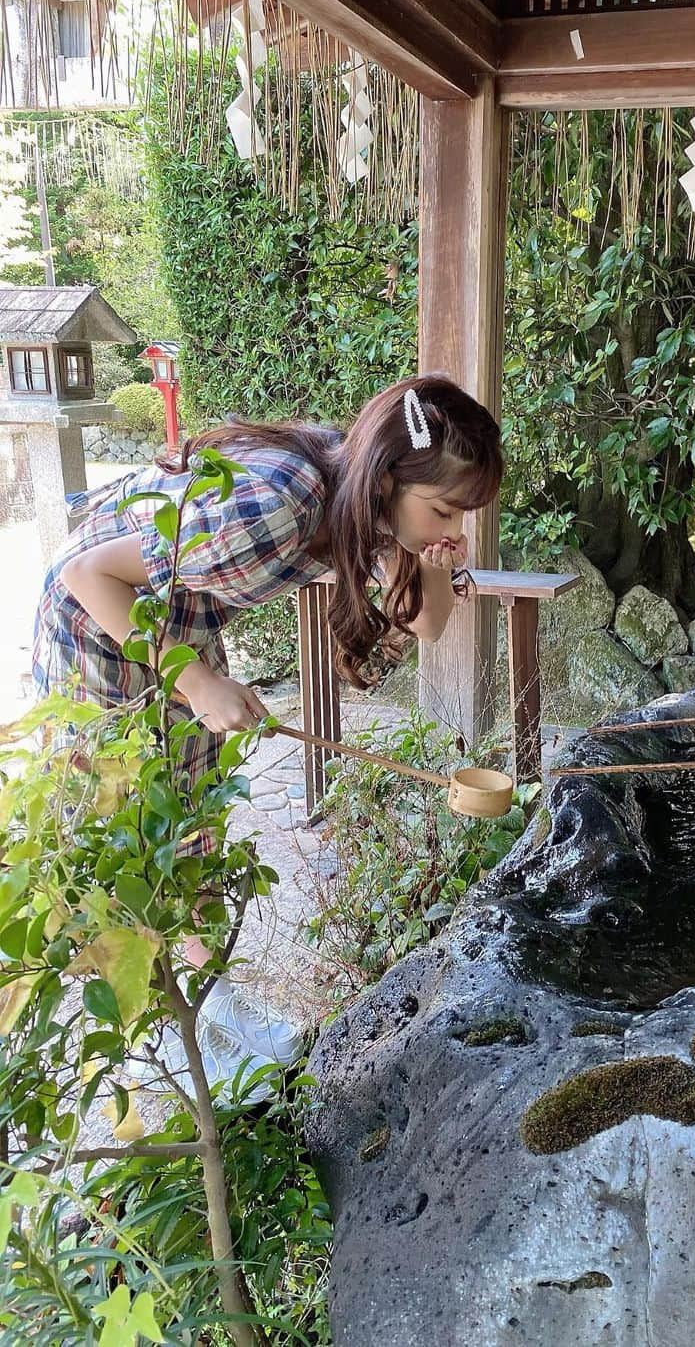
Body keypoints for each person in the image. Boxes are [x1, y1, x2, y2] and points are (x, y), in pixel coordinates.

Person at [32, 374, 503, 1100]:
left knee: (193, 824)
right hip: (97, 630)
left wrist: (438, 562)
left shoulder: (372, 506)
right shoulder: (280, 505)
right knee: (131, 831)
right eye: (445, 509)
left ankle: (211, 1006)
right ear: (389, 477)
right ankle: (157, 1035)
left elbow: (430, 624)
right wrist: (197, 685)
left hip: (176, 621)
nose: (455, 528)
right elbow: (87, 573)